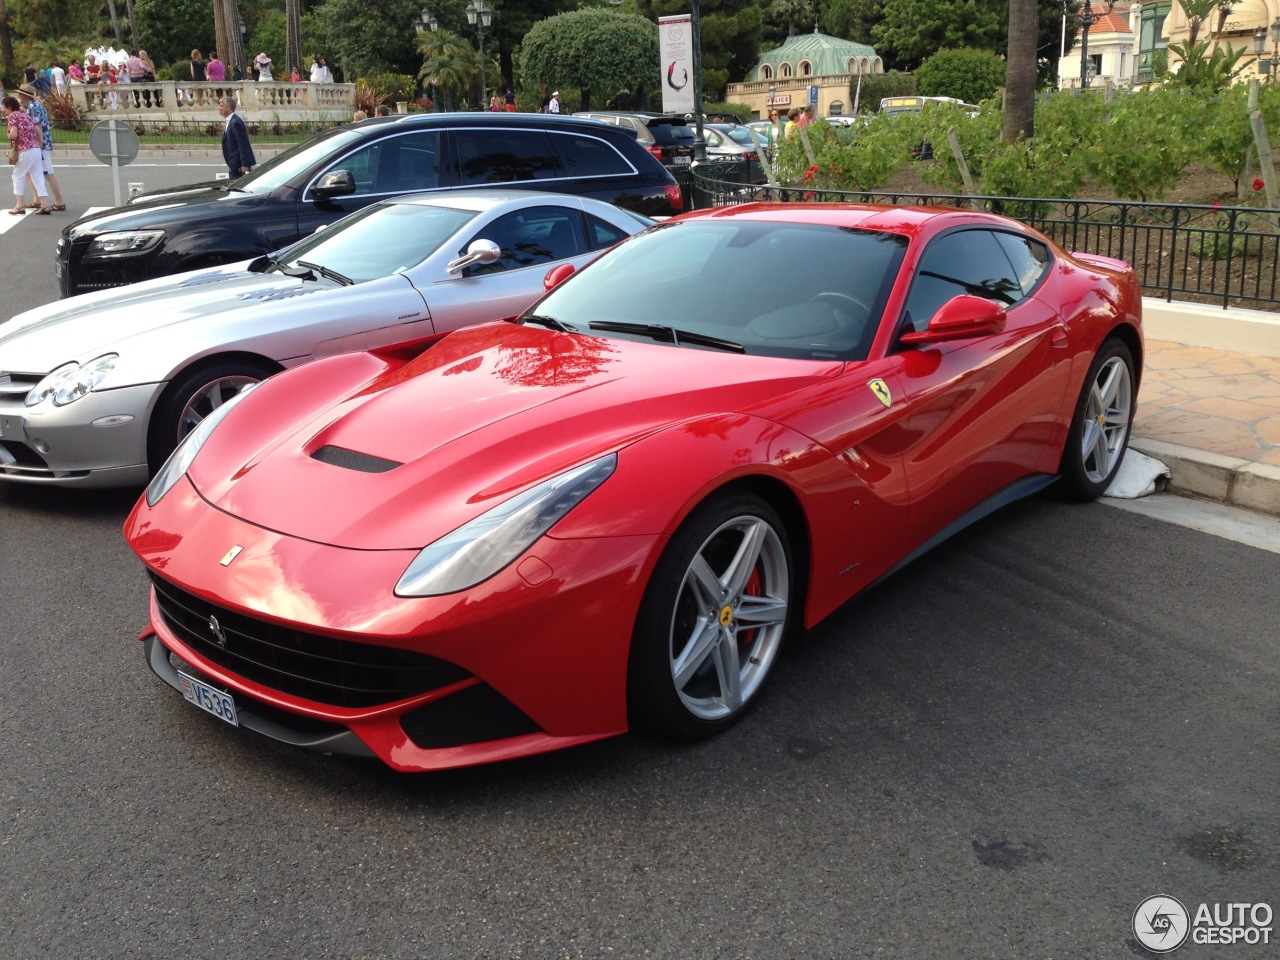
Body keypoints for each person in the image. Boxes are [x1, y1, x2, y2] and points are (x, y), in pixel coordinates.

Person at [15, 84, 64, 211]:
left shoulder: (32, 107)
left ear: (25, 95)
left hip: (40, 143)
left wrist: (38, 144)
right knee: (32, 171)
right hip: (40, 143)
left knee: (47, 172)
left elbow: (37, 127)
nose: (19, 96)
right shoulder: (34, 106)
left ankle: (59, 201)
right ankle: (37, 198)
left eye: (20, 94)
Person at [4, 95, 50, 214]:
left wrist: (8, 134)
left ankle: (20, 205)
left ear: (9, 107)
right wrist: (38, 146)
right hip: (35, 148)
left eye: (5, 108)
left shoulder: (13, 116)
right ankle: (44, 204)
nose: (4, 110)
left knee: (17, 176)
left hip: (24, 149)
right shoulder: (26, 115)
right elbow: (38, 131)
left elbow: (13, 135)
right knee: (37, 176)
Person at [219, 95, 256, 179]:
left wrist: (245, 164)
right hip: (234, 165)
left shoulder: (235, 122)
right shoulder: (231, 121)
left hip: (239, 166)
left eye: (221, 106)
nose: (219, 108)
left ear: (228, 107)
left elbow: (243, 144)